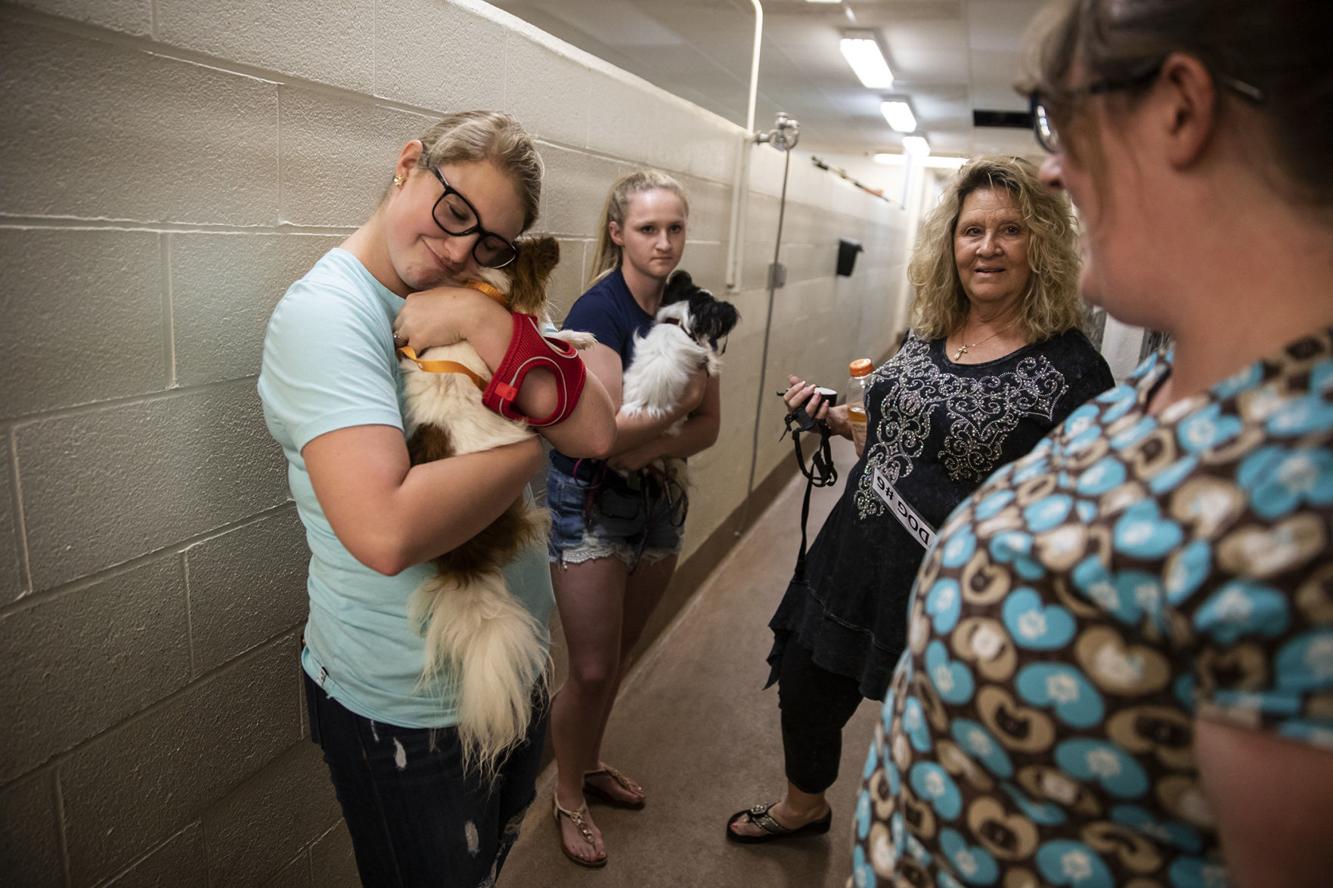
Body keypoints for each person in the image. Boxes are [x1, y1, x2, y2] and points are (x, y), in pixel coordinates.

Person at [851, 1, 1333, 885]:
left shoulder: (1302, 496)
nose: (1053, 169)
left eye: (1059, 122)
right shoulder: (1172, 383)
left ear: (1178, 109)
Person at [257, 110, 615, 887]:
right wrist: (530, 435)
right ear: (408, 163)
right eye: (454, 212)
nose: (458, 251)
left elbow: (591, 431)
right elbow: (386, 530)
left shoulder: (475, 291)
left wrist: (480, 316)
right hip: (407, 702)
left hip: (508, 661)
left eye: (490, 242)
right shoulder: (331, 316)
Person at [728, 156, 1114, 843]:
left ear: (1042, 245)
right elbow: (900, 434)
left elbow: (1083, 510)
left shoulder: (1072, 370)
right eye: (971, 231)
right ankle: (803, 807)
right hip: (854, 551)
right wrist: (835, 420)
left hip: (956, 591)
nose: (986, 248)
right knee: (806, 684)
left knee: (939, 734)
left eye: (1010, 231)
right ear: (950, 243)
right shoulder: (929, 329)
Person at [546, 170, 721, 866]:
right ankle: (564, 795)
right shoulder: (597, 312)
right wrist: (676, 407)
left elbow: (711, 427)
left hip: (659, 505)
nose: (664, 242)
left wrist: (656, 432)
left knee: (618, 657)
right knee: (589, 670)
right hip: (590, 508)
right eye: (648, 228)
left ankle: (587, 762)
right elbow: (607, 443)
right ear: (617, 231)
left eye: (674, 227)